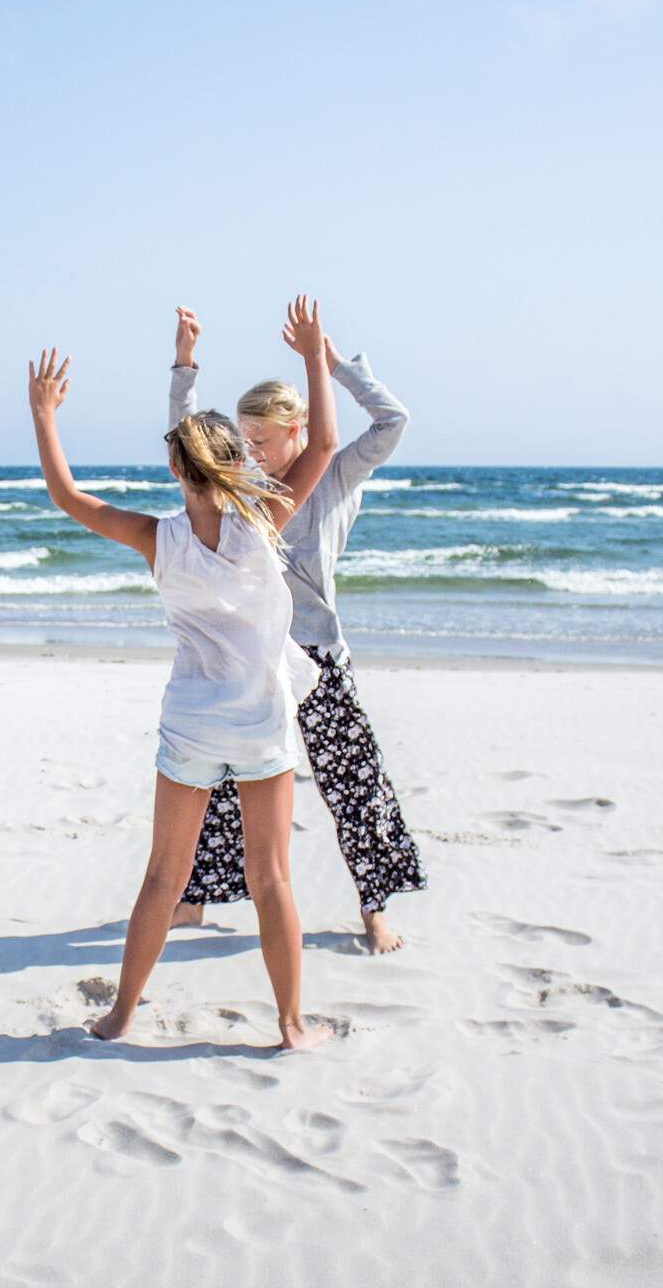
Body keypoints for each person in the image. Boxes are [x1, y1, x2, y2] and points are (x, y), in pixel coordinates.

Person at [25, 296, 339, 1050]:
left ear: (174, 467)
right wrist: (313, 357)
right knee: (272, 881)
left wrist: (45, 415)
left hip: (191, 723)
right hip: (261, 718)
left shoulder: (153, 538)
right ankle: (292, 1026)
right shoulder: (264, 520)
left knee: (164, 879)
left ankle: (120, 1015)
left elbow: (68, 497)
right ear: (236, 463)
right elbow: (324, 439)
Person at [165, 306, 426, 954]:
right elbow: (188, 442)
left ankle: (373, 911)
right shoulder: (244, 488)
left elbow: (394, 421)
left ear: (296, 429)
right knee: (220, 775)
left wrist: (333, 363)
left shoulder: (334, 473)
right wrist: (185, 364)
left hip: (320, 654)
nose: (251, 451)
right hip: (258, 655)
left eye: (263, 439)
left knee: (353, 781)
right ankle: (193, 900)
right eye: (245, 440)